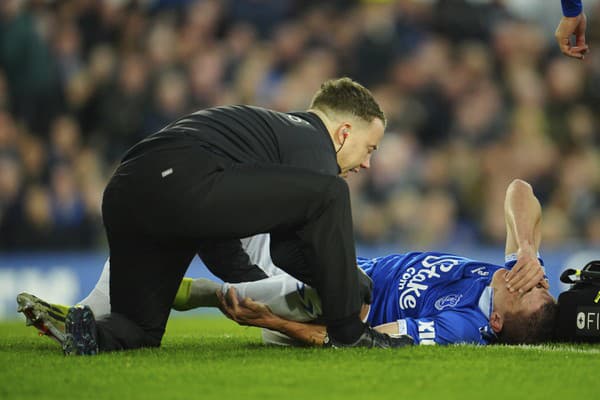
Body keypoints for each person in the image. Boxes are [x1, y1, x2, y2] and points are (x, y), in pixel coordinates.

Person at [34, 77, 419, 355]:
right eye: (370, 148)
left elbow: (231, 236)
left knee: (137, 329)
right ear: (343, 133)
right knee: (334, 192)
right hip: (178, 178)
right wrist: (351, 289)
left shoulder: (273, 136)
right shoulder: (313, 144)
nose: (368, 163)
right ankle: (350, 334)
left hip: (127, 190)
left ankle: (84, 333)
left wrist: (257, 287)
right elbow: (296, 243)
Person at [18, 179, 556, 346]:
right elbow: (519, 191)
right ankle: (99, 313)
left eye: (528, 287)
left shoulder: (462, 326)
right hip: (314, 272)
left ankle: (86, 321)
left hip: (315, 301)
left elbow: (362, 341)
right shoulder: (504, 274)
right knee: (188, 225)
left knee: (190, 212)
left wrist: (273, 323)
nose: (528, 277)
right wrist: (527, 248)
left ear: (498, 322)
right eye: (540, 280)